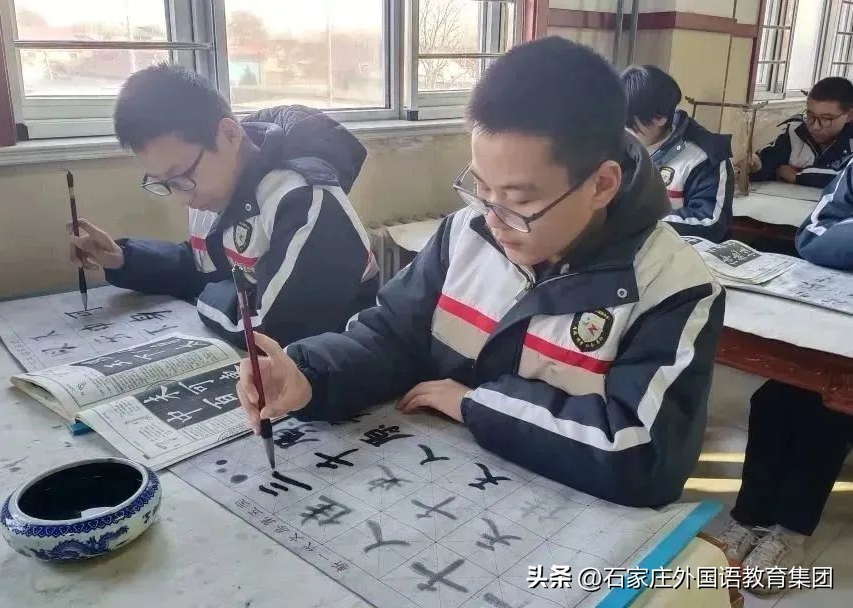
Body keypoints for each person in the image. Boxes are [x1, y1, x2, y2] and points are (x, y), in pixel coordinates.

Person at [235, 37, 726, 508]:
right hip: (444, 488)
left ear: (600, 185)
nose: (492, 219)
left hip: (560, 524)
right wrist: (308, 374)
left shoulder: (671, 286)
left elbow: (644, 457)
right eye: (483, 189)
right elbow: (391, 336)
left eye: (518, 200)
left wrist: (476, 404)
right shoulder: (465, 232)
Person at [68, 64, 378, 347]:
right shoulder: (211, 192)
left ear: (229, 134)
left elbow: (278, 329)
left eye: (182, 175)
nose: (182, 197)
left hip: (330, 369)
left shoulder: (305, 198)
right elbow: (203, 267)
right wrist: (125, 259)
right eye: (165, 183)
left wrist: (206, 295)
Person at [719, 163, 853, 593]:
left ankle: (791, 532)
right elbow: (812, 236)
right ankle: (750, 517)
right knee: (777, 397)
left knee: (834, 412)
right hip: (836, 315)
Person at [621, 65, 735, 243]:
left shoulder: (704, 158)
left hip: (679, 252)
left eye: (629, 124)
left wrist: (638, 222)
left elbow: (710, 222)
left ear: (659, 118)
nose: (622, 131)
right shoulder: (616, 147)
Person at [750, 76, 853, 189]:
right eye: (810, 115)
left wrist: (797, 176)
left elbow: (846, 178)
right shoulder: (796, 131)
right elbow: (769, 161)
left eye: (826, 119)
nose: (815, 126)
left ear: (849, 116)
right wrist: (756, 165)